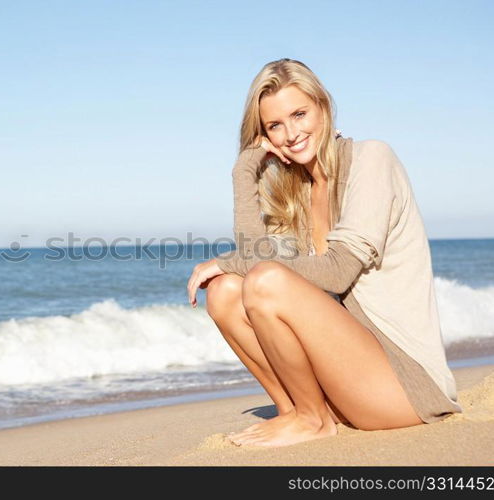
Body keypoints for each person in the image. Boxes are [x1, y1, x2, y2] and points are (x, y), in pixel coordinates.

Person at [186, 58, 462, 448]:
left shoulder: (372, 159)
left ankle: (313, 420)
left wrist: (232, 260)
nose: (291, 133)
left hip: (406, 388)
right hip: (350, 380)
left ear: (323, 107)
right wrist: (244, 170)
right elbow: (254, 254)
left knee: (263, 279)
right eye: (274, 125)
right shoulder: (295, 193)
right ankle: (297, 412)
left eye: (300, 114)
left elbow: (336, 273)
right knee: (226, 290)